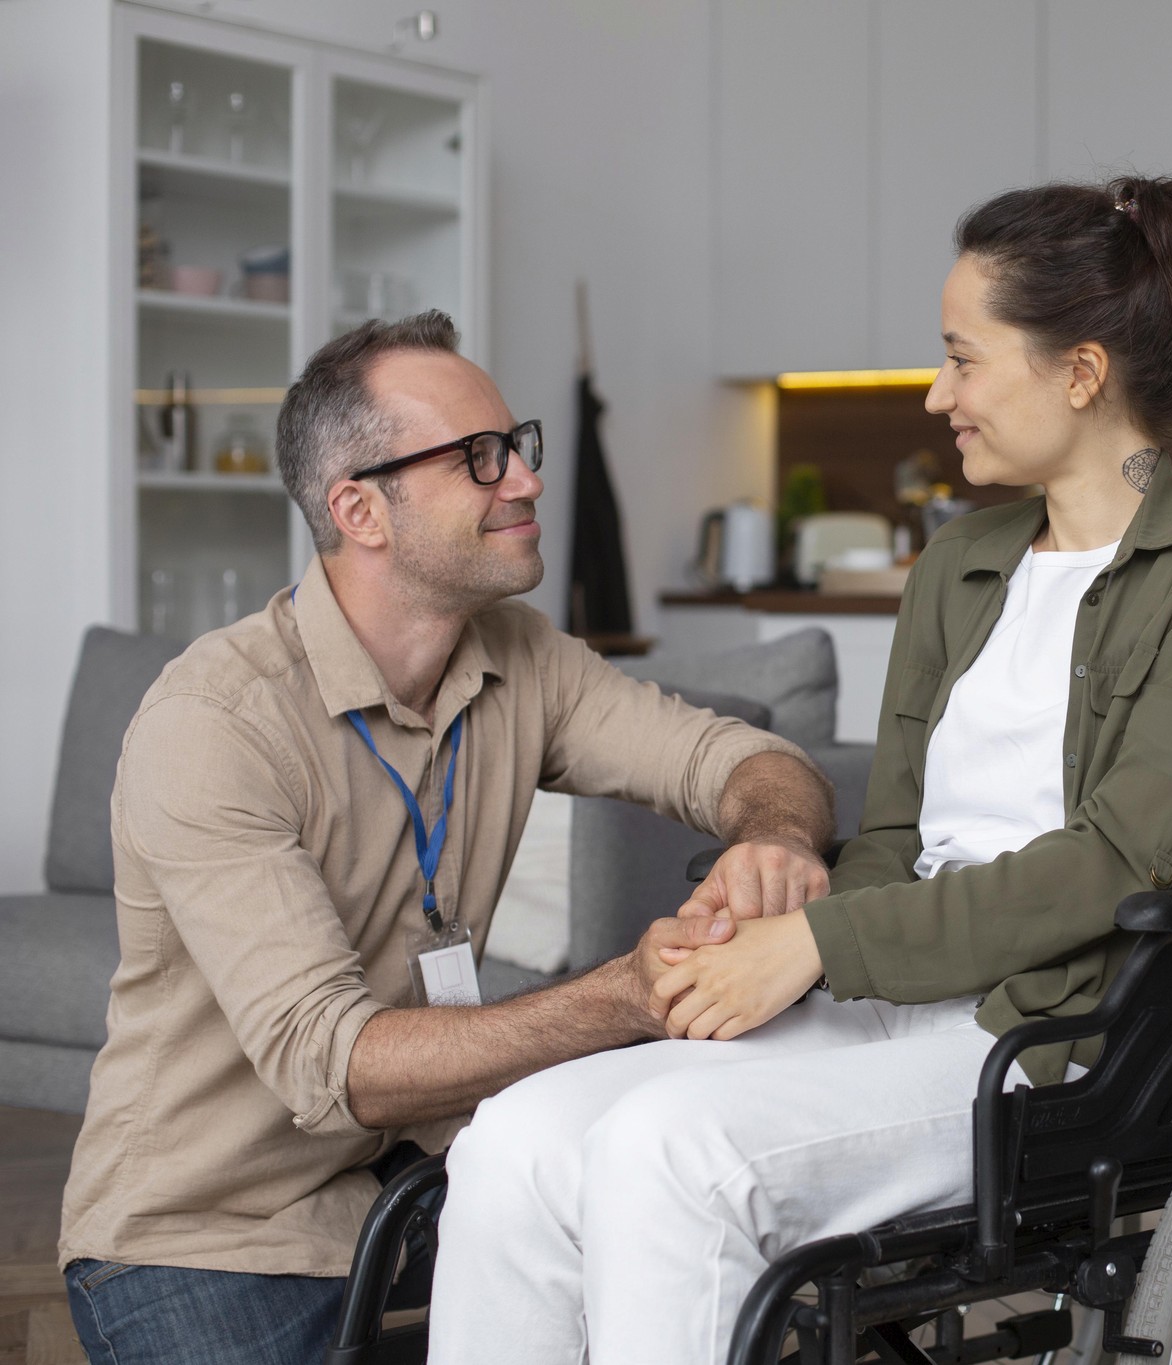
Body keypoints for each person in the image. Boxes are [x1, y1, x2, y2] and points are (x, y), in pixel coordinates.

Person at [426, 175, 1172, 1365]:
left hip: (1066, 1033)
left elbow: (1116, 861)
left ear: (1081, 374)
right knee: (515, 1136)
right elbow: (892, 837)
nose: (937, 394)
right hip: (889, 995)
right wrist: (780, 916)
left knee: (664, 1157)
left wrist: (818, 948)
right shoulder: (961, 563)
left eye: (962, 358)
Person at [58, 312, 837, 1365]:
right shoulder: (214, 725)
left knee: (729, 1289)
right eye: (478, 458)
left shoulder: (526, 658)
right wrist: (622, 996)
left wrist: (774, 839)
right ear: (359, 510)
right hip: (207, 1239)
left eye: (515, 445)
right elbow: (336, 1064)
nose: (523, 478)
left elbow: (745, 760)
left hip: (419, 1187)